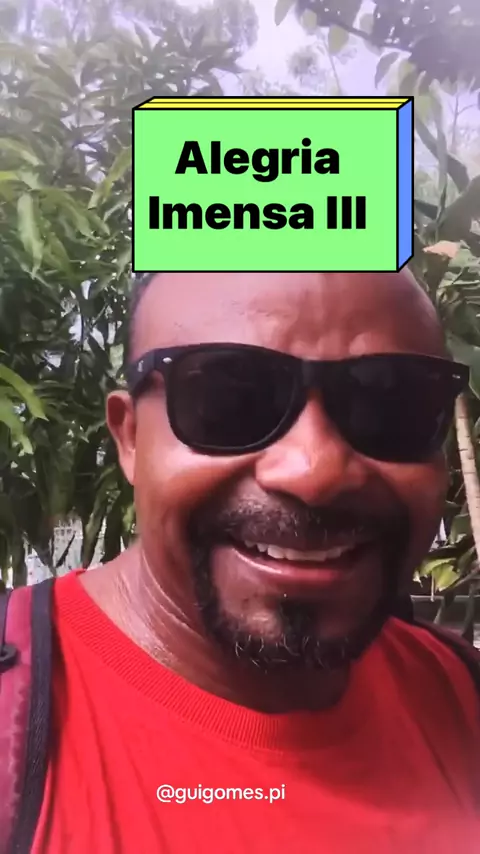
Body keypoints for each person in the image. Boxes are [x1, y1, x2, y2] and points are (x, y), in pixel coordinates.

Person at [8, 272, 480, 852]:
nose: (315, 472)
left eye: (390, 405)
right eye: (232, 401)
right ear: (129, 438)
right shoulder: (17, 726)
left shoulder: (461, 694)